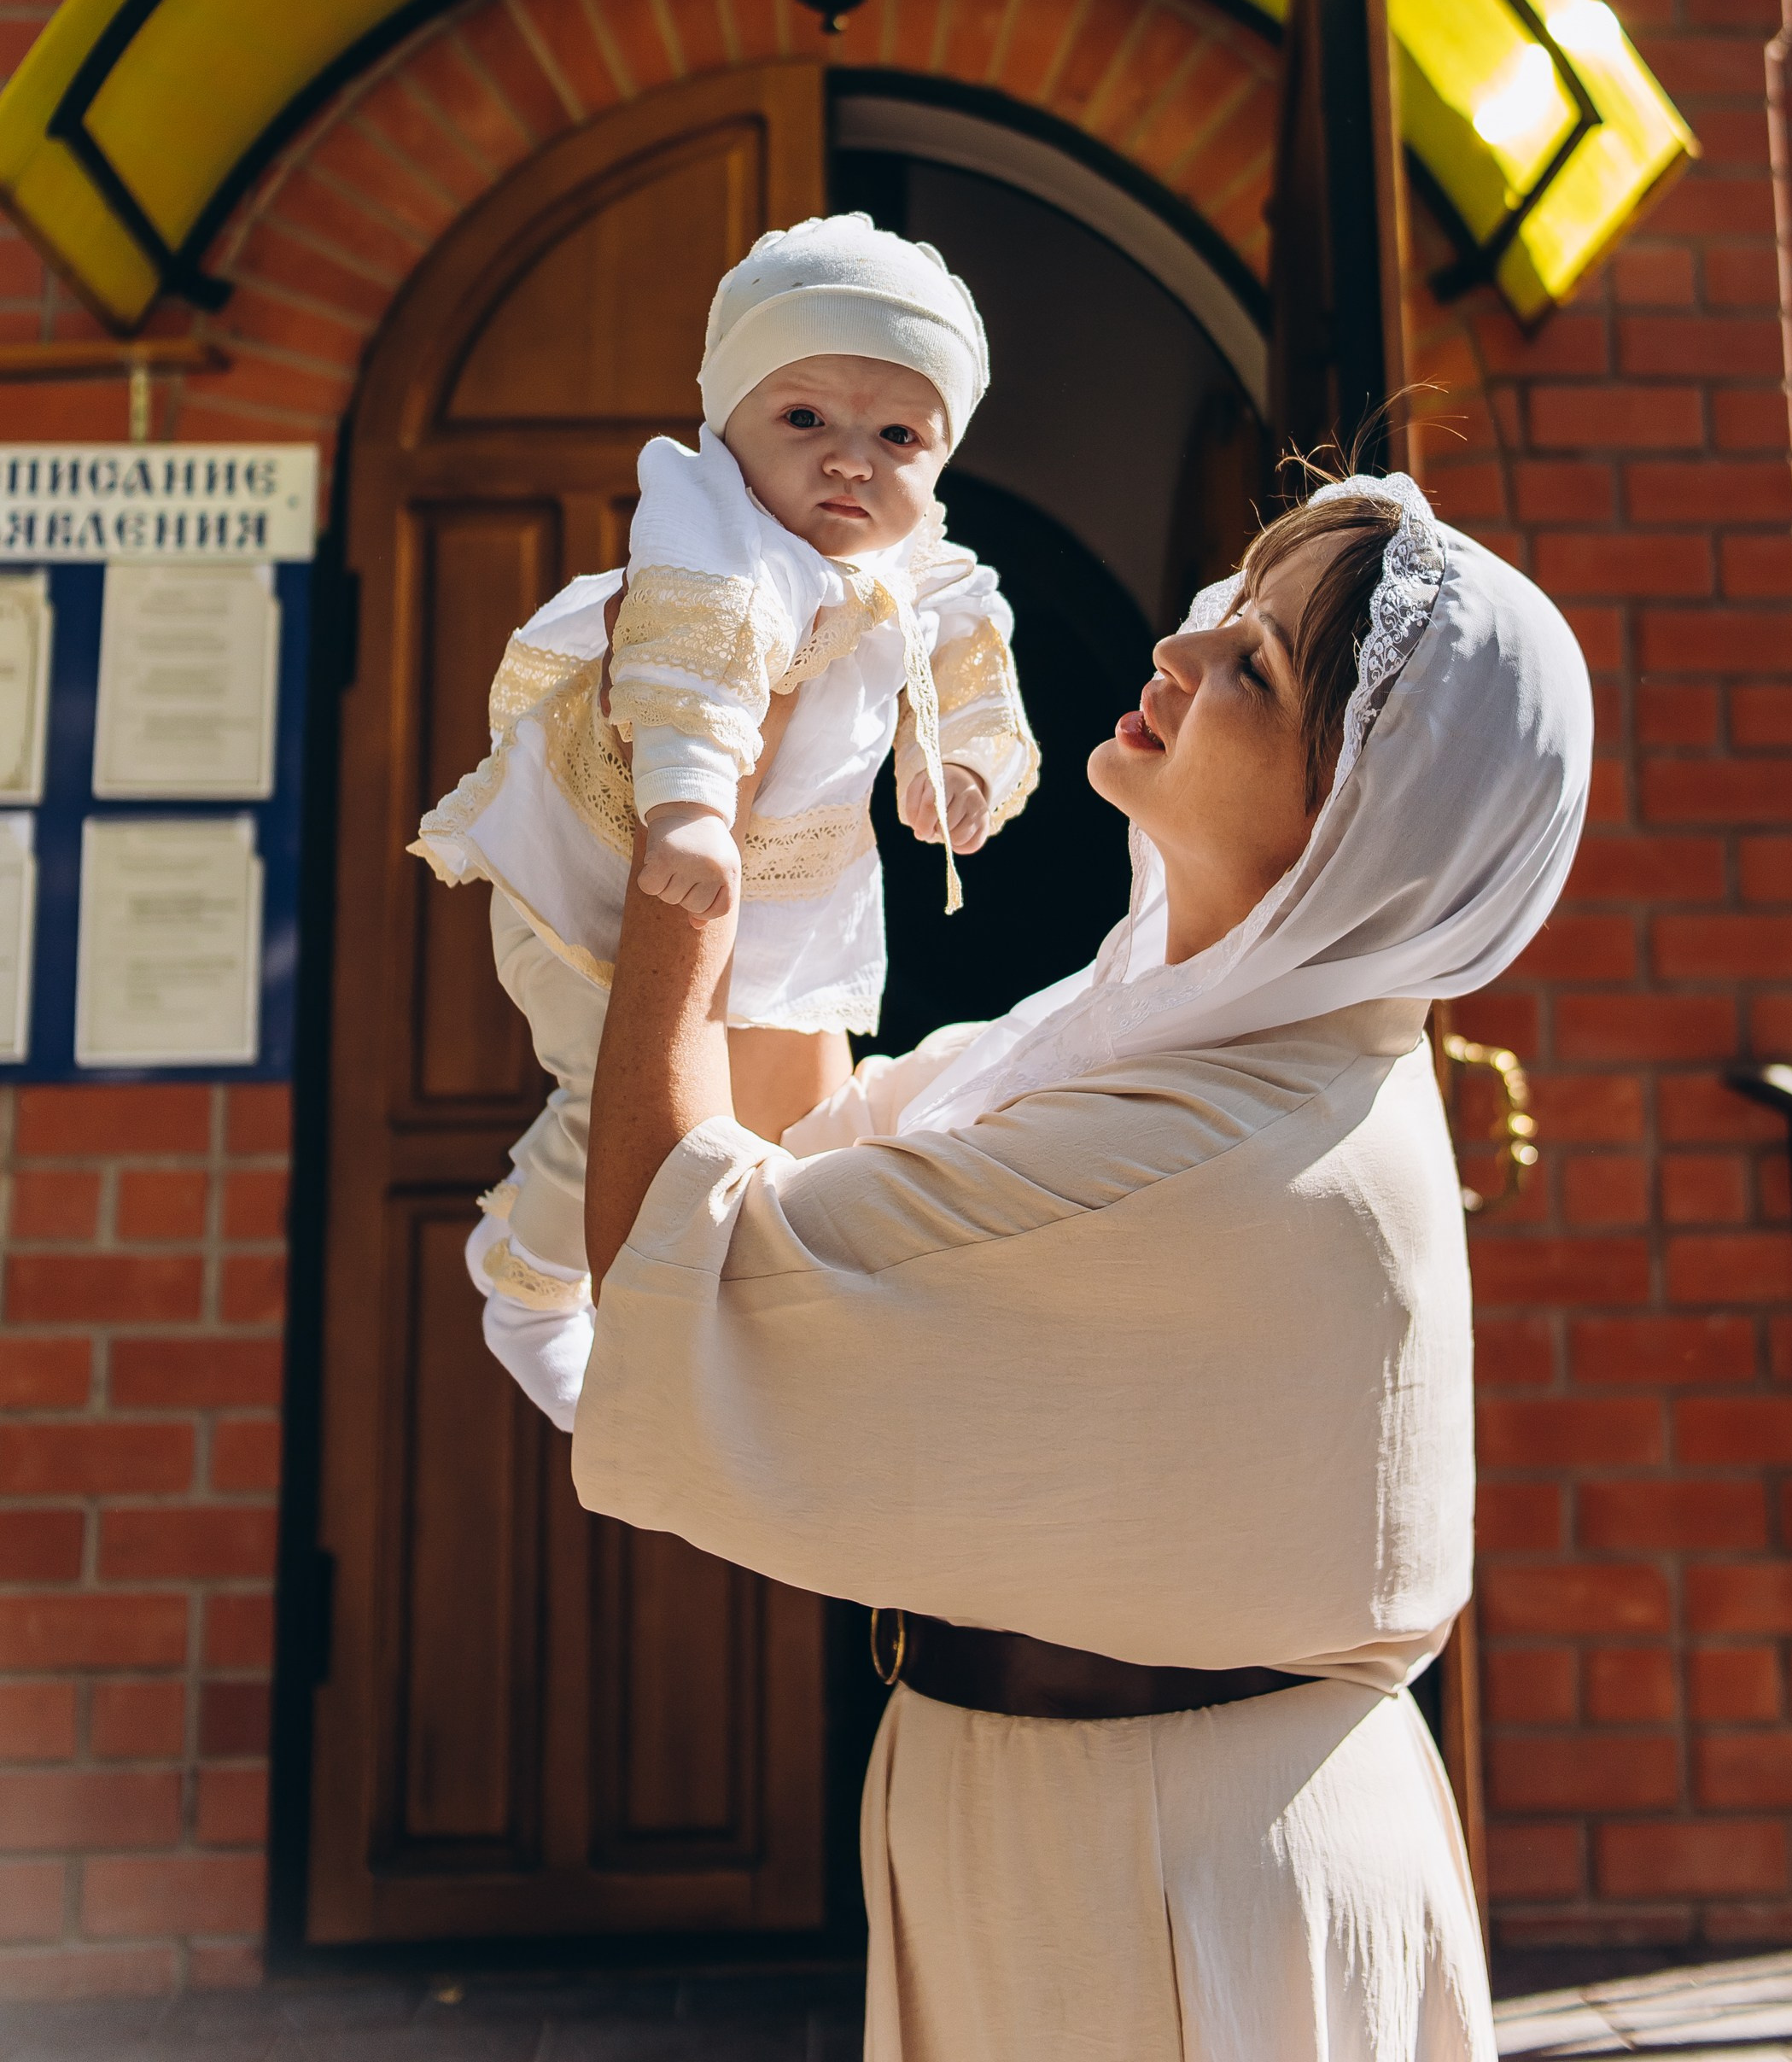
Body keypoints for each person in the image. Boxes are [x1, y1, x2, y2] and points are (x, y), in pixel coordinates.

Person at [573, 457, 1592, 2062]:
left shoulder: (1225, 1140)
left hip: (1166, 1873)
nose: (1181, 651)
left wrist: (687, 805)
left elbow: (675, 1246)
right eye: (1228, 615)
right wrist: (798, 787)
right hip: (1078, 1824)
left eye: (1257, 666)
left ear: (1361, 814)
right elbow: (799, 1152)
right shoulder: (1170, 1040)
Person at [413, 214, 1038, 1429]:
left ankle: (767, 1334)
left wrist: (964, 767)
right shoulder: (713, 532)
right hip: (612, 876)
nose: (850, 462)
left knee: (785, 1124)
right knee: (615, 1094)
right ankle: (527, 1282)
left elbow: (976, 666)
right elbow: (685, 672)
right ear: (727, 420)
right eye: (805, 419)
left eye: (898, 437)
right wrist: (691, 808)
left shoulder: (923, 565)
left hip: (788, 904)